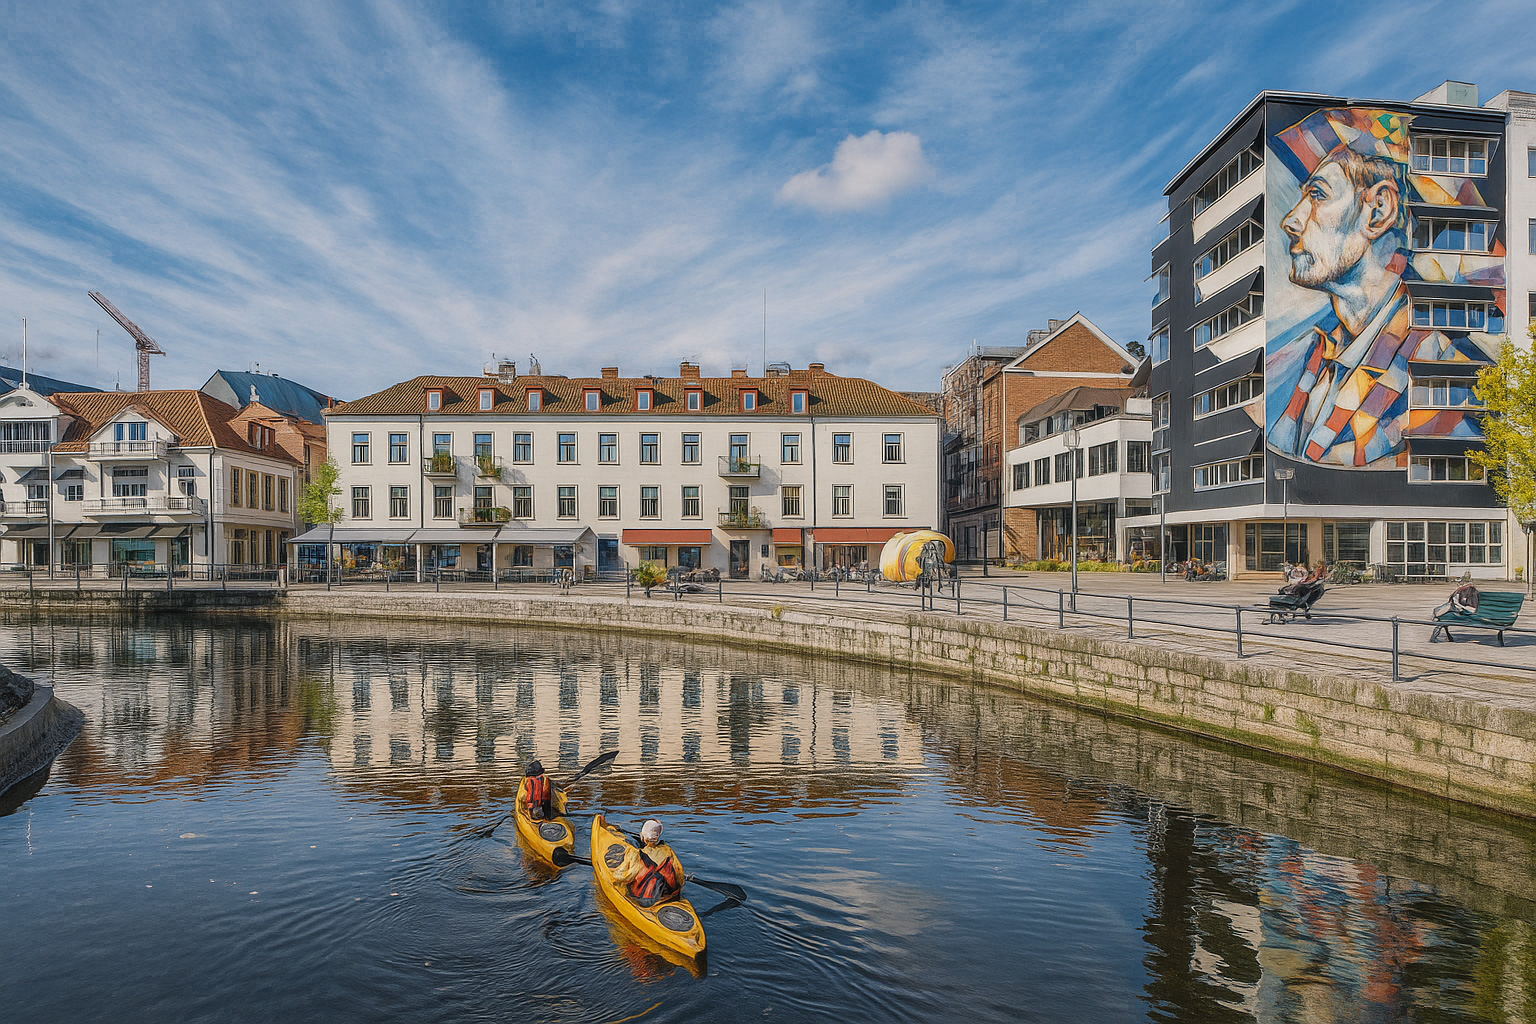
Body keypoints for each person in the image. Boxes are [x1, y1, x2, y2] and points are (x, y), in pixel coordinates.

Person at [613, 818, 684, 907]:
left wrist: (613, 879)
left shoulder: (637, 854)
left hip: (645, 899)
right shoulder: (668, 851)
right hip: (669, 896)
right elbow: (680, 875)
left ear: (643, 837)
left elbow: (627, 876)